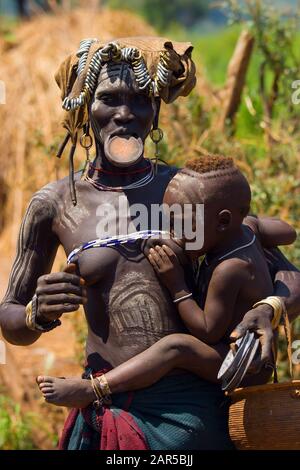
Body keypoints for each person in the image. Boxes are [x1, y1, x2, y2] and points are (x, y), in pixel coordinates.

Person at [0, 37, 299, 450]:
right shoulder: (54, 204)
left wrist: (270, 307)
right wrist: (36, 312)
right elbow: (10, 319)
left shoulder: (188, 191)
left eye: (140, 100)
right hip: (105, 409)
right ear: (86, 109)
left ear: (155, 111)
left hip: (193, 414)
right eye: (109, 99)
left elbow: (284, 272)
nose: (125, 114)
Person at [36, 154, 296, 404]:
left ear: (223, 221)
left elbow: (208, 331)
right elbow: (287, 232)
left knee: (176, 347)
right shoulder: (248, 227)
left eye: (181, 224)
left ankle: (95, 388)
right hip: (243, 353)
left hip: (240, 363)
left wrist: (176, 283)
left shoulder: (228, 270)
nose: (173, 233)